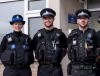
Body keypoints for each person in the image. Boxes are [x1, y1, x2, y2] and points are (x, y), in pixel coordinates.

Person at [31, 8, 67, 76]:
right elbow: (32, 48)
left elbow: (66, 48)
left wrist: (57, 57)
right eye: (45, 18)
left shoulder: (60, 34)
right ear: (43, 20)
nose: (47, 20)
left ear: (53, 19)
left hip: (56, 69)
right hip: (42, 69)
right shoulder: (38, 35)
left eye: (50, 18)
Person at [67, 9, 96, 76]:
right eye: (80, 18)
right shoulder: (72, 34)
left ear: (88, 20)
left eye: (85, 18)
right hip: (75, 70)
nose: (83, 20)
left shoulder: (94, 33)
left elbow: (98, 50)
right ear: (77, 20)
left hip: (90, 70)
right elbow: (67, 50)